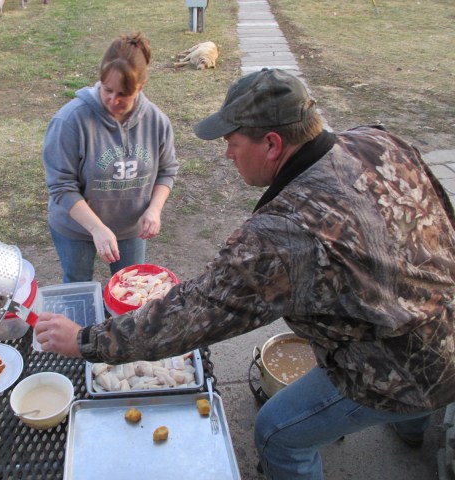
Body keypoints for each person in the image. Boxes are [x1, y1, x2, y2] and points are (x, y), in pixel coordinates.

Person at [34, 68, 455, 479]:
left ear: (272, 144)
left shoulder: (284, 233)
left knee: (276, 433)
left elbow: (193, 313)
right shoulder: (377, 140)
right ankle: (413, 428)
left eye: (233, 143)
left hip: (403, 369)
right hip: (439, 320)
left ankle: (405, 411)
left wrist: (87, 340)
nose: (227, 154)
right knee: (420, 387)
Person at [42, 32, 178, 283]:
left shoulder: (157, 121)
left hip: (130, 228)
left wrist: (154, 209)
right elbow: (61, 187)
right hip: (76, 228)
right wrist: (96, 228)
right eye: (107, 90)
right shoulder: (69, 121)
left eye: (123, 94)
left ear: (140, 87)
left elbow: (167, 170)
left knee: (132, 286)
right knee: (78, 283)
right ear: (100, 80)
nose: (113, 100)